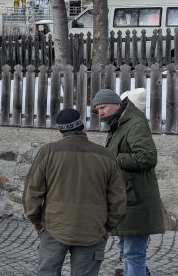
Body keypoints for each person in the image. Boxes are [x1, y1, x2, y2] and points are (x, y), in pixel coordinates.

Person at [24, 108, 126, 276]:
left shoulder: (47, 152)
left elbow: (32, 190)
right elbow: (118, 197)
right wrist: (109, 226)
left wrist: (35, 219)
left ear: (60, 129)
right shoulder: (106, 155)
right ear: (82, 125)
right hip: (93, 228)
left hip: (54, 225)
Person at [94, 88, 165, 276]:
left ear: (118, 105)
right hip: (126, 197)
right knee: (125, 247)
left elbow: (147, 157)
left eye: (103, 107)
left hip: (136, 199)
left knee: (133, 253)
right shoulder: (119, 123)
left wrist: (113, 158)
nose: (100, 112)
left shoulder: (134, 123)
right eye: (97, 109)